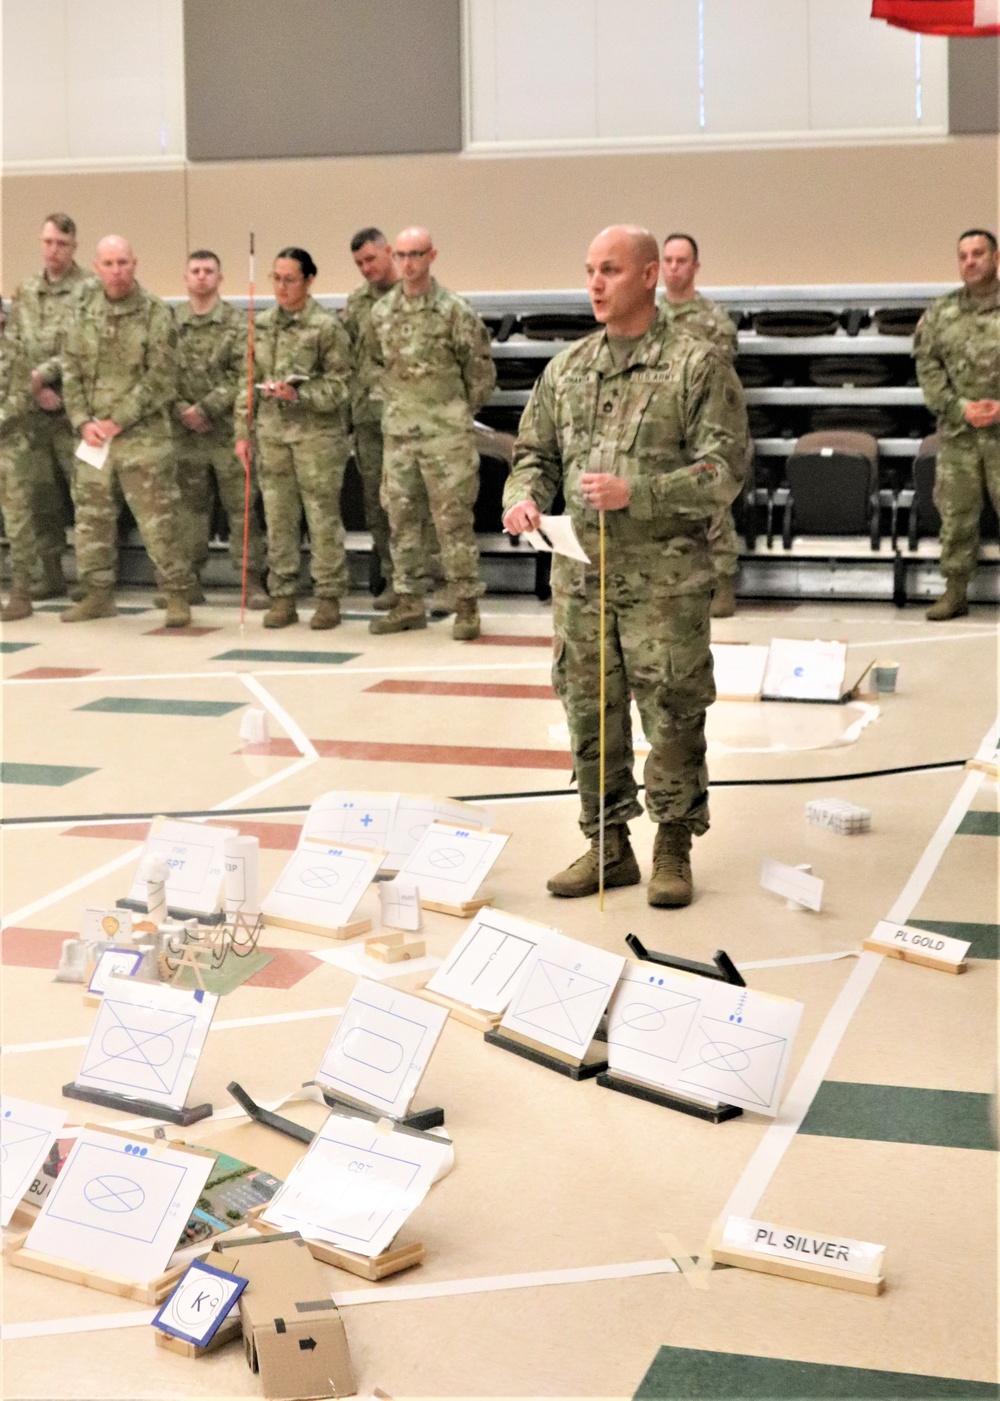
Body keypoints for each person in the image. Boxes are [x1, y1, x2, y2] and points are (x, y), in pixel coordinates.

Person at [502, 225, 748, 907]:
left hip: (663, 580)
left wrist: (640, 490)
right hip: (581, 576)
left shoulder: (696, 365)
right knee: (589, 709)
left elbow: (725, 469)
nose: (595, 284)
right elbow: (533, 453)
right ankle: (607, 842)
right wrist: (521, 498)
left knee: (670, 707)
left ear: (647, 276)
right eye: (588, 271)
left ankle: (674, 840)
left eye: (609, 270)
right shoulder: (568, 367)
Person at [367, 226, 496, 641]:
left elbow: (480, 372)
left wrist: (454, 413)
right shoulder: (382, 313)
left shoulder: (454, 311)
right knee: (401, 521)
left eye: (416, 254)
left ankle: (465, 605)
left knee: (452, 522)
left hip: (446, 436)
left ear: (432, 256)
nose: (408, 263)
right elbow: (373, 366)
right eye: (401, 255)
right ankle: (408, 602)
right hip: (400, 434)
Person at [60, 236, 195, 627]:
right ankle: (97, 594)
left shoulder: (154, 313)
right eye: (108, 263)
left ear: (135, 264)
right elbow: (70, 372)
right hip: (93, 440)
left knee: (159, 521)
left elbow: (162, 379)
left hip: (143, 437)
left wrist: (116, 419)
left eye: (123, 262)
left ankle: (175, 594)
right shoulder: (82, 311)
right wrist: (83, 420)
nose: (116, 271)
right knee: (91, 521)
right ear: (97, 267)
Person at [235, 246, 352, 629]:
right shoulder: (263, 324)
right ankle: (282, 595)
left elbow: (341, 388)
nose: (282, 287)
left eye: (290, 280)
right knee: (278, 520)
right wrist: (243, 432)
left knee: (321, 519)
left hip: (317, 439)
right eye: (276, 279)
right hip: (272, 438)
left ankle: (328, 597)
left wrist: (298, 394)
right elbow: (245, 383)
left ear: (309, 280)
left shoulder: (326, 327)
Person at [3, 214, 89, 615]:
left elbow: (79, 346)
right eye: (48, 242)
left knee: (84, 494)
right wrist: (33, 387)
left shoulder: (88, 289)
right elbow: (14, 342)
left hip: (73, 406)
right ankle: (50, 572)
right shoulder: (27, 289)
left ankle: (92, 582)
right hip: (32, 408)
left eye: (61, 244)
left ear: (74, 247)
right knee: (40, 497)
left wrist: (45, 377)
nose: (53, 250)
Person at [172, 250, 267, 608]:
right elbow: (160, 372)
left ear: (220, 278)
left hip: (226, 429)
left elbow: (244, 374)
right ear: (185, 278)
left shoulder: (236, 323)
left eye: (208, 271)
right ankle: (188, 579)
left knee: (242, 508)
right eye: (194, 270)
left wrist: (207, 407)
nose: (201, 277)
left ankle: (251, 580)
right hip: (185, 433)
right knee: (190, 511)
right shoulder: (171, 323)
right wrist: (184, 409)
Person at [914, 228, 1000, 620]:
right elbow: (928, 367)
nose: (970, 261)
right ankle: (955, 592)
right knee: (957, 516)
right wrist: (958, 407)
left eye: (978, 253)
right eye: (963, 255)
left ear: (996, 258)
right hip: (960, 434)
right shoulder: (940, 313)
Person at [661, 233, 743, 619]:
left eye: (682, 261)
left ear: (695, 267)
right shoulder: (648, 314)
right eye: (668, 260)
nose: (674, 267)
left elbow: (719, 377)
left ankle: (722, 581)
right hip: (658, 425)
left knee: (712, 503)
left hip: (702, 422)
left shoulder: (714, 321)